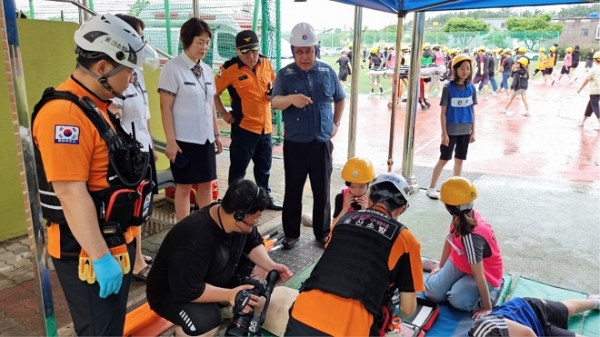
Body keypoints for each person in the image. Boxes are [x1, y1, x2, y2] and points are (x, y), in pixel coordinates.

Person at [31, 14, 148, 335]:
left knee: (109, 326)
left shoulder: (95, 106)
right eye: (129, 71)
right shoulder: (64, 115)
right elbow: (70, 193)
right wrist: (100, 258)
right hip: (87, 251)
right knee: (99, 330)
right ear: (102, 68)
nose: (132, 79)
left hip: (111, 239)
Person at [146, 179, 293, 336]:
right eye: (255, 218)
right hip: (172, 292)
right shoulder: (195, 238)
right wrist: (230, 295)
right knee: (206, 322)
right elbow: (188, 290)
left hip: (207, 277)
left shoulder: (236, 221)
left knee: (256, 283)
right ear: (238, 215)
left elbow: (254, 244)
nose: (256, 222)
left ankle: (220, 304)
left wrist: (272, 266)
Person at [285, 173, 424, 336]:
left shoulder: (344, 220)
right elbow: (408, 309)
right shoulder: (407, 240)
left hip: (302, 315)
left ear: (370, 200)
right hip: (351, 329)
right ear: (401, 209)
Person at [271, 22, 345, 249]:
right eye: (300, 52)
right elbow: (275, 102)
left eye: (309, 51)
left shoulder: (327, 71)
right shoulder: (285, 74)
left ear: (316, 49)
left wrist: (336, 123)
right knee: (293, 188)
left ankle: (322, 232)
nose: (305, 56)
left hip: (321, 142)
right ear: (293, 52)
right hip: (295, 142)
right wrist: (291, 99)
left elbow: (340, 98)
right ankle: (291, 233)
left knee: (322, 189)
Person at [109, 14, 159, 282]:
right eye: (136, 36)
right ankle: (136, 261)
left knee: (144, 203)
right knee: (133, 206)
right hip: (126, 156)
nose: (140, 42)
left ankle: (137, 252)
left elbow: (144, 114)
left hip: (142, 149)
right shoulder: (114, 73)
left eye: (142, 36)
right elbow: (112, 112)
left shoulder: (136, 73)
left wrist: (151, 145)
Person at [159, 18, 223, 221]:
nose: (204, 47)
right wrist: (171, 140)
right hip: (183, 140)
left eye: (206, 43)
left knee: (206, 183)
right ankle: (184, 228)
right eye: (200, 42)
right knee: (184, 187)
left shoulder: (205, 69)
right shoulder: (172, 68)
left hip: (205, 138)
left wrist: (216, 134)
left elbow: (210, 103)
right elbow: (165, 107)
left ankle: (206, 225)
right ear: (187, 40)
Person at [213, 30, 282, 211]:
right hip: (244, 129)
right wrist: (223, 113)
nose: (251, 56)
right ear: (237, 51)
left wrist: (272, 93)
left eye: (254, 51)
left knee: (264, 169)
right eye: (245, 52)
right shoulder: (229, 69)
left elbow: (275, 84)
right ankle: (234, 203)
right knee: (238, 170)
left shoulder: (265, 62)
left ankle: (265, 198)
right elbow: (212, 92)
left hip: (265, 129)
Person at [424, 177, 503, 318]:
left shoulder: (471, 236)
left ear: (448, 206)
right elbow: (450, 239)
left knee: (458, 300)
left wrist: (486, 307)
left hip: (485, 273)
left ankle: (481, 293)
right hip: (460, 262)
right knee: (432, 293)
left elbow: (478, 273)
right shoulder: (461, 216)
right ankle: (436, 267)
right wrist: (441, 266)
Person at [426, 54, 477, 200]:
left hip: (465, 130)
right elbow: (443, 113)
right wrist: (444, 134)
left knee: (459, 159)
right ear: (455, 69)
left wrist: (473, 131)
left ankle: (456, 187)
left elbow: (472, 111)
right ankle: (432, 187)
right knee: (444, 158)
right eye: (462, 68)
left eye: (468, 68)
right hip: (451, 130)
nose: (465, 71)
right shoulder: (448, 88)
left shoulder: (471, 88)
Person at [469, 295, 600, 337]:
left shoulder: (483, 329)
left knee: (567, 309)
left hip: (529, 310)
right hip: (539, 331)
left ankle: (595, 302)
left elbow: (527, 332)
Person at [331, 157, 375, 229]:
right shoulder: (341, 197)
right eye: (352, 187)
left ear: (368, 183)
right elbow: (333, 225)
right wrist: (345, 209)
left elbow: (376, 228)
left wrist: (367, 210)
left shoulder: (373, 199)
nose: (357, 191)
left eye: (361, 187)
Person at [576, 51, 600, 130]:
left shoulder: (593, 69)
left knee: (595, 107)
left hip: (594, 91)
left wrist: (579, 89)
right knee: (590, 106)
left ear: (595, 60)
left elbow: (586, 80)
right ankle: (583, 121)